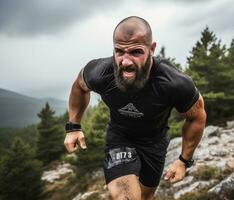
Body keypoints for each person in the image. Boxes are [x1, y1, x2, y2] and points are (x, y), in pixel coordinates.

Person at [64, 16, 206, 200]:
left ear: (152, 49)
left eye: (136, 52)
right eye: (119, 51)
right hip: (120, 137)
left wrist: (184, 161)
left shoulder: (173, 83)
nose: (125, 61)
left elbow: (196, 117)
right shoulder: (100, 73)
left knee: (145, 197)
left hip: (155, 143)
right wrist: (73, 126)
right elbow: (79, 87)